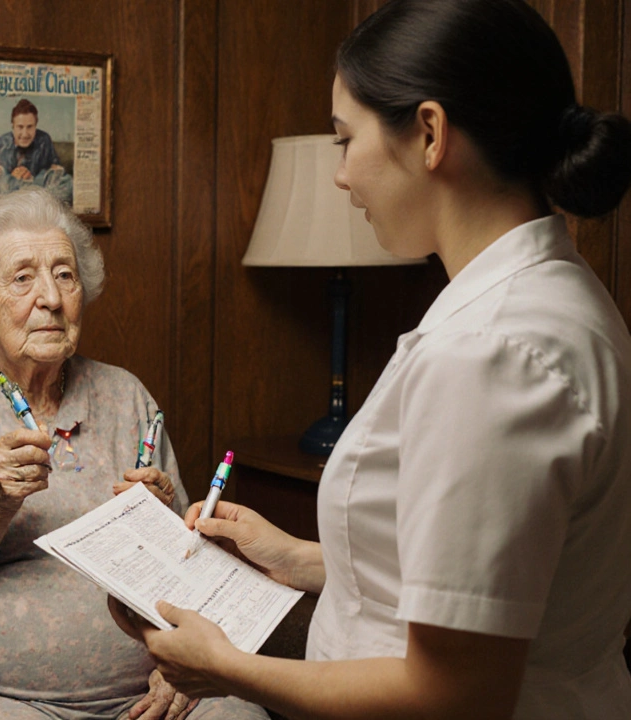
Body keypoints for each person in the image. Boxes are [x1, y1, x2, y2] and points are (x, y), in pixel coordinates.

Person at [111, 1, 631, 718]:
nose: (340, 176)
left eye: (345, 140)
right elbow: (492, 585)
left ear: (428, 134)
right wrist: (300, 559)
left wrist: (227, 669)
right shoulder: (546, 300)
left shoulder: (490, 354)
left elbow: (456, 691)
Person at [0, 186, 268, 719]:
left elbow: (190, 574)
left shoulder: (126, 396)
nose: (52, 299)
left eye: (64, 274)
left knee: (242, 715)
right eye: (22, 278)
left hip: (143, 695)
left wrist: (184, 664)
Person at [0, 98, 73, 208]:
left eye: (30, 127)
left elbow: (60, 178)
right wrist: (33, 181)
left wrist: (30, 179)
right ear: (13, 127)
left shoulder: (44, 141)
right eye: (20, 127)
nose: (25, 134)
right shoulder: (1, 145)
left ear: (36, 125)